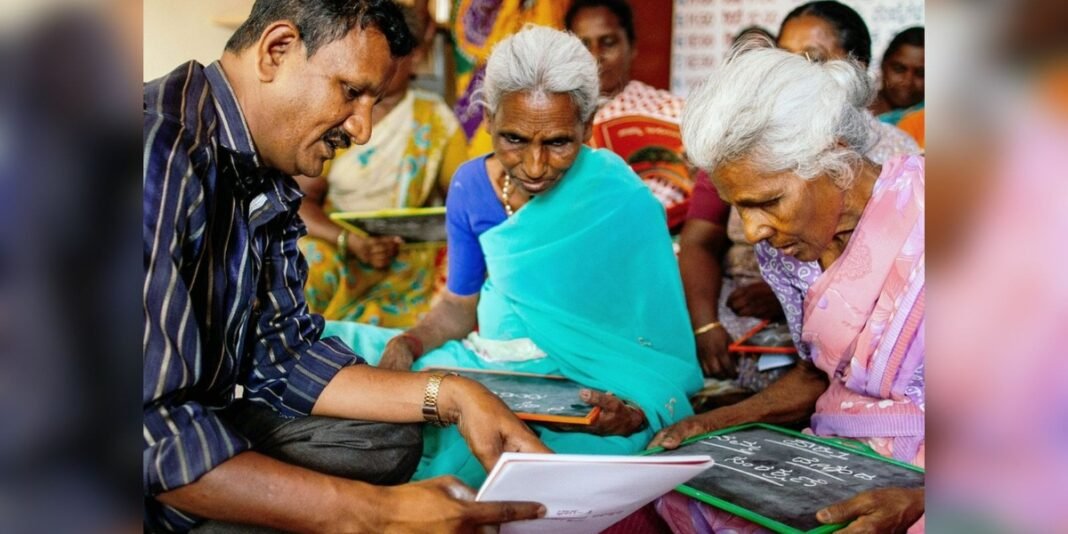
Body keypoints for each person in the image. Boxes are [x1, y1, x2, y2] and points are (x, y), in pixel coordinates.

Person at [143, 1, 550, 531]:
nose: (362, 130)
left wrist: (452, 392)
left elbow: (285, 357)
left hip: (192, 422)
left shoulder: (262, 167)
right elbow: (151, 429)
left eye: (373, 101)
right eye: (351, 91)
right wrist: (374, 514)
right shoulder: (154, 152)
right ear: (278, 50)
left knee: (386, 439)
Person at [324, 25, 703, 487]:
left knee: (555, 463)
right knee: (336, 348)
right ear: (487, 121)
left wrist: (635, 409)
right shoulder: (470, 186)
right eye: (514, 140)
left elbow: (658, 346)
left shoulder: (621, 199)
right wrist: (410, 342)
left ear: (586, 127)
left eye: (559, 142)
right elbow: (460, 307)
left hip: (585, 383)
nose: (536, 166)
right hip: (488, 365)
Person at [652, 42, 926, 533]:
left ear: (833, 156)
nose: (754, 230)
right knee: (681, 496)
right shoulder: (786, 249)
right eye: (740, 207)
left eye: (768, 201)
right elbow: (822, 374)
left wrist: (919, 500)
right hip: (836, 458)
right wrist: (712, 423)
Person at [681, 2, 920, 389]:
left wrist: (809, 299)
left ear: (852, 68)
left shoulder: (899, 166)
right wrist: (706, 325)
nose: (794, 74)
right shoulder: (740, 154)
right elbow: (699, 241)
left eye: (813, 60)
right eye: (784, 57)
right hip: (741, 326)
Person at [294, 0, 468, 328]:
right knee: (305, 264)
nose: (380, 66)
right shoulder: (337, 114)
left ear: (413, 55)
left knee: (454, 292)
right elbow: (301, 204)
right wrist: (351, 241)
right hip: (338, 247)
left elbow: (462, 204)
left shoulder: (436, 122)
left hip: (408, 260)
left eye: (392, 55)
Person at [565, 0, 693, 230]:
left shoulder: (671, 110)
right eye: (583, 45)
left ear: (631, 46)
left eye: (608, 43)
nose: (595, 56)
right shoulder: (555, 119)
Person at [870, 27, 925, 125]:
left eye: (921, 74)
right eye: (899, 69)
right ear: (883, 64)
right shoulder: (855, 108)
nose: (908, 81)